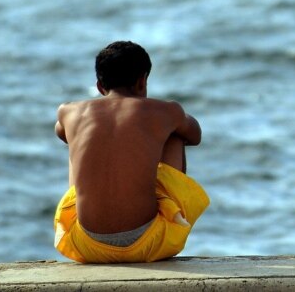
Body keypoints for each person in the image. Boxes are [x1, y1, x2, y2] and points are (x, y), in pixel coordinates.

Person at [53, 41, 209, 263]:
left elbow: (61, 132)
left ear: (99, 86)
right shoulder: (165, 111)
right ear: (142, 80)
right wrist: (166, 120)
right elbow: (194, 135)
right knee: (175, 134)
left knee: (76, 138)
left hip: (85, 246)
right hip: (147, 244)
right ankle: (171, 216)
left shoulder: (69, 111)